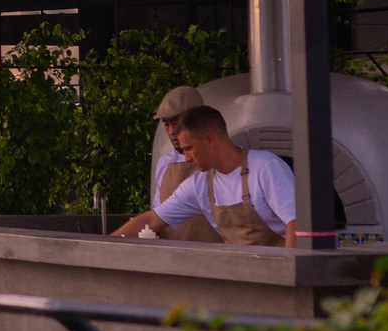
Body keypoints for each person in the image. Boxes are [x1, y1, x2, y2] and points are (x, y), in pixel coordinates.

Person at [109, 106, 297, 247]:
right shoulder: (199, 184)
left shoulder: (265, 167)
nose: (186, 158)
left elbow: (296, 223)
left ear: (209, 139)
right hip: (240, 275)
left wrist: (287, 273)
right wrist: (104, 247)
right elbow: (152, 220)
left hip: (278, 276)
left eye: (188, 148)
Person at [150, 85, 209, 207]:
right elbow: (157, 210)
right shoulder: (165, 162)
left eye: (176, 123)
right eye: (167, 125)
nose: (171, 131)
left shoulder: (216, 159)